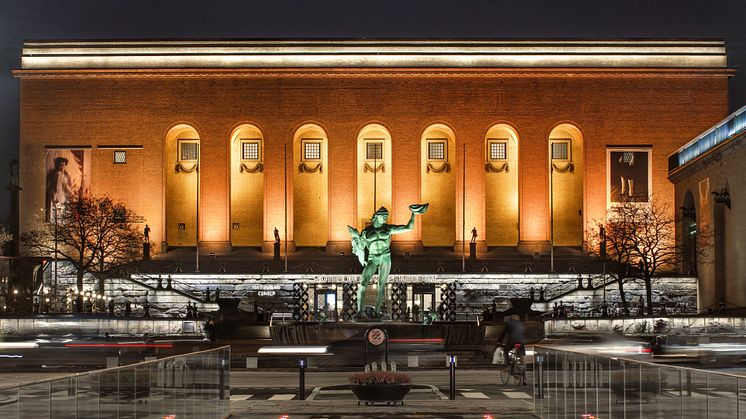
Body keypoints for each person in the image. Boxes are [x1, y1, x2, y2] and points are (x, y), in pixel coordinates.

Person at [348, 204, 428, 318]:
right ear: (376, 216)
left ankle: (376, 313)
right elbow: (360, 247)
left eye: (386, 217)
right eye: (383, 217)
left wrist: (413, 214)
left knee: (381, 285)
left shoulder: (388, 229)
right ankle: (359, 312)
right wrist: (355, 236)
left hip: (385, 257)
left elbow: (408, 227)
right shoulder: (366, 232)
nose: (385, 219)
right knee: (362, 284)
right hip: (372, 258)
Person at [46, 156, 75, 220]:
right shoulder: (59, 174)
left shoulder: (62, 174)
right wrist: (72, 194)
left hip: (57, 195)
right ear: (58, 165)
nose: (63, 167)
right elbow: (60, 186)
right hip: (58, 195)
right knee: (58, 213)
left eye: (64, 165)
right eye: (61, 165)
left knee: (57, 213)